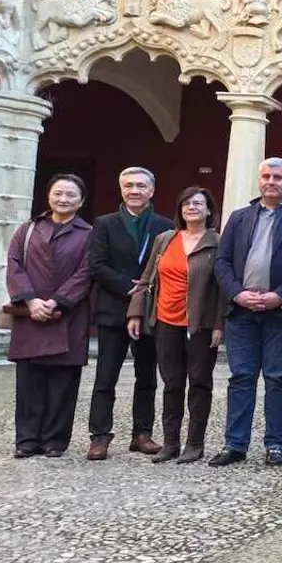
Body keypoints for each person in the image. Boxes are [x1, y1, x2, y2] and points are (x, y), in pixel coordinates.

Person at [210, 158, 282, 467]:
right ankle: (235, 444)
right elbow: (223, 261)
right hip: (241, 312)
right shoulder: (240, 217)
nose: (271, 182)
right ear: (259, 180)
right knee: (241, 377)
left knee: (278, 378)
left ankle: (275, 444)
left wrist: (279, 295)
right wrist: (238, 293)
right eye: (266, 176)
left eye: (278, 177)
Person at [127, 186, 224, 464]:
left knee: (199, 383)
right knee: (171, 383)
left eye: (198, 203)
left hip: (200, 324)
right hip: (165, 321)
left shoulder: (217, 242)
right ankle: (170, 442)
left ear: (208, 210)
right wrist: (135, 314)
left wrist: (219, 325)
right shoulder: (165, 239)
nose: (191, 207)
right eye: (186, 204)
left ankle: (195, 443)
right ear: (180, 210)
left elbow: (221, 289)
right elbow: (146, 280)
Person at [86, 167, 175, 461]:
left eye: (140, 185)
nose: (134, 190)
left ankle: (142, 434)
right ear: (121, 190)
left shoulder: (165, 226)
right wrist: (131, 288)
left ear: (152, 190)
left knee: (147, 376)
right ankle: (99, 436)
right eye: (128, 186)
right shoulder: (104, 224)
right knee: (105, 377)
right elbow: (96, 266)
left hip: (150, 312)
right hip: (113, 309)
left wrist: (146, 291)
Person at [5, 174, 93, 458]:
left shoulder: (89, 234)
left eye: (70, 194)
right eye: (58, 193)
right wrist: (31, 301)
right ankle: (27, 440)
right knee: (29, 382)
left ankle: (55, 440)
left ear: (81, 201)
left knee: (62, 382)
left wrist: (56, 301)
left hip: (68, 315)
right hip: (30, 315)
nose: (63, 199)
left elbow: (87, 272)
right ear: (49, 196)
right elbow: (14, 265)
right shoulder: (28, 230)